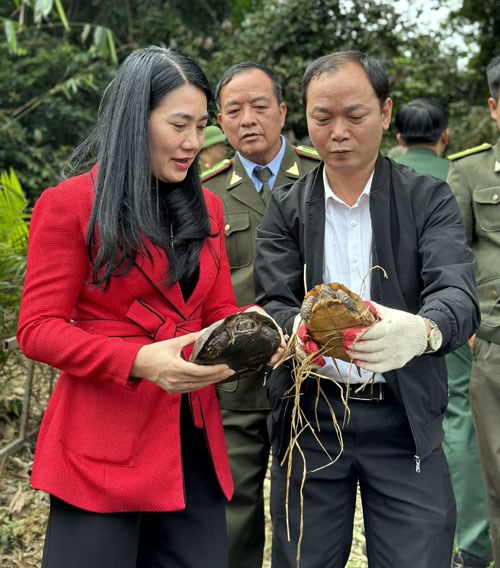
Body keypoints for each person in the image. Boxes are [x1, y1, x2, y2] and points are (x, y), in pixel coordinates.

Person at [15, 46, 283, 568]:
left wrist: (256, 335)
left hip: (193, 442)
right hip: (104, 446)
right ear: (134, 120)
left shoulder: (205, 205)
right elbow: (37, 329)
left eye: (203, 125)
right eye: (179, 124)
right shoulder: (70, 205)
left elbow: (218, 312)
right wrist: (139, 361)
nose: (193, 143)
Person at [254, 50, 479, 567]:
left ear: (384, 113)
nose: (338, 132)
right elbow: (276, 299)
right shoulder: (287, 209)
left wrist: (422, 331)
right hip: (312, 418)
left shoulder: (429, 200)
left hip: (404, 419)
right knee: (303, 558)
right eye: (322, 118)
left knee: (417, 556)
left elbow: (458, 295)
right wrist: (296, 331)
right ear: (302, 118)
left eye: (355, 116)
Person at [201, 61, 320, 568]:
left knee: (307, 513)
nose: (248, 119)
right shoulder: (202, 191)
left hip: (313, 373)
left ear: (283, 112)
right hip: (235, 379)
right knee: (233, 510)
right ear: (221, 123)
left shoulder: (323, 175)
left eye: (260, 107)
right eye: (234, 111)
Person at [394, 97, 493, 568]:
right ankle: (474, 541)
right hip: (450, 320)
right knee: (460, 422)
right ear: (445, 136)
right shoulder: (455, 172)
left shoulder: (375, 171)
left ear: (395, 135)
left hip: (390, 325)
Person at [447, 53, 500, 568]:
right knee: (498, 478)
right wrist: (470, 325)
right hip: (496, 352)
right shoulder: (470, 171)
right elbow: (453, 257)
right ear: (493, 108)